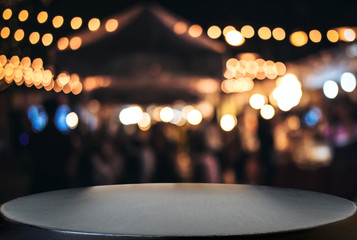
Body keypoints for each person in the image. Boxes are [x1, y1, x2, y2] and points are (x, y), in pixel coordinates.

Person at [28, 98, 72, 194]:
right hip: (60, 183)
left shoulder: (36, 137)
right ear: (57, 112)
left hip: (40, 182)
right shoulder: (63, 138)